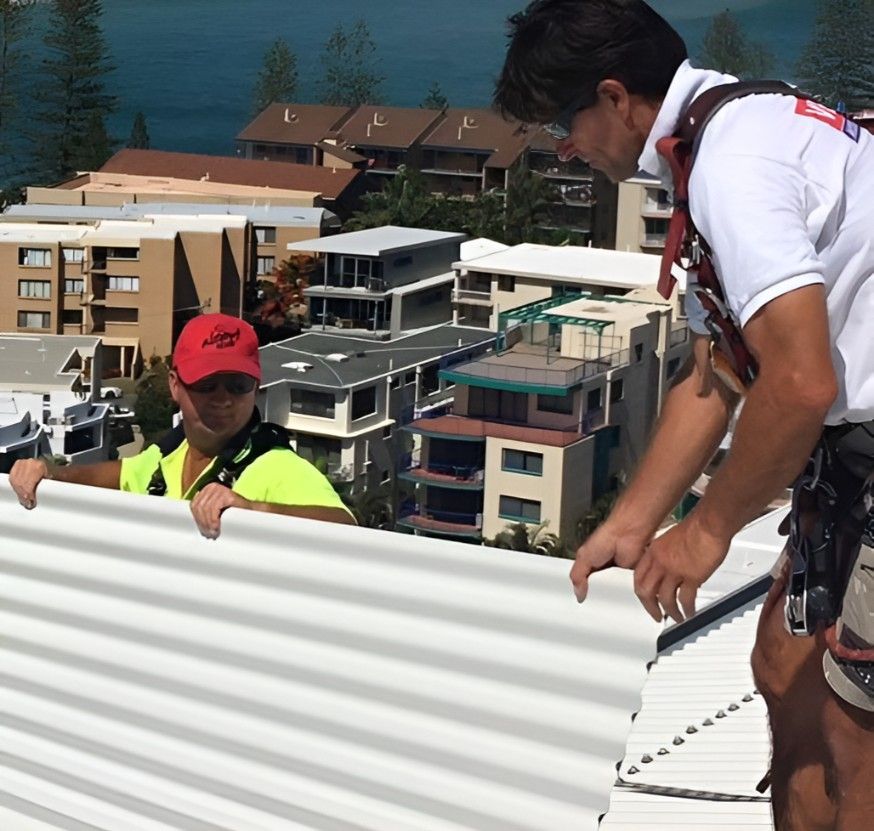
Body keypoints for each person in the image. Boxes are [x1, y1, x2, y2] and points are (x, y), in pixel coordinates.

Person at [495, 1, 873, 827]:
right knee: (783, 666)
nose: (565, 145)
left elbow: (801, 381)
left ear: (616, 96)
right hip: (852, 460)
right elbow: (717, 374)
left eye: (565, 119)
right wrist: (633, 520)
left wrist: (704, 534)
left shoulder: (734, 167)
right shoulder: (731, 131)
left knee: (857, 733)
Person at [10, 313, 356, 537]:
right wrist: (50, 472)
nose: (223, 399)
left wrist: (253, 510)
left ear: (257, 389)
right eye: (206, 385)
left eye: (238, 385)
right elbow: (122, 473)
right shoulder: (168, 457)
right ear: (175, 385)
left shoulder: (276, 466)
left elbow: (346, 529)